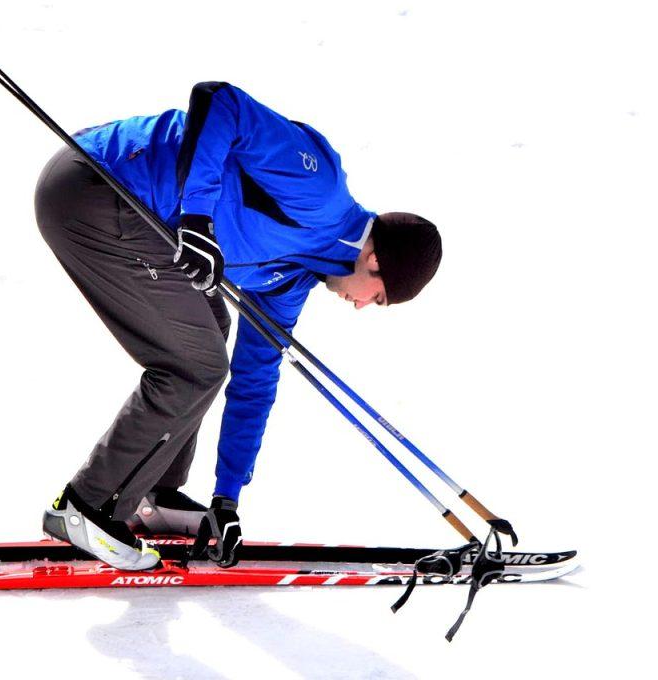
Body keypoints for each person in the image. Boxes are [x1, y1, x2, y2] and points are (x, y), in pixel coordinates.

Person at [35, 82, 442, 571]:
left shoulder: (292, 280)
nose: (360, 307)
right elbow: (218, 99)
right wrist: (197, 218)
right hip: (101, 185)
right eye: (376, 298)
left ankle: (153, 493)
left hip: (128, 216)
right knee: (195, 366)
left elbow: (255, 379)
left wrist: (226, 497)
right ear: (375, 262)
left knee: (212, 324)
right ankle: (87, 505)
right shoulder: (320, 188)